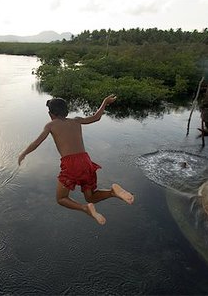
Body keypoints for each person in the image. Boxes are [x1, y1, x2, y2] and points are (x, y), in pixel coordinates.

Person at [18, 95, 134, 225]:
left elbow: (36, 143)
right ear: (66, 111)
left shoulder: (51, 125)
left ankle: (85, 208)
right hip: (86, 160)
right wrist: (105, 102)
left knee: (61, 198)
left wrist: (23, 153)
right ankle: (113, 192)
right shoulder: (76, 120)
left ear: (51, 114)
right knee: (91, 197)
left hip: (71, 164)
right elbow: (96, 117)